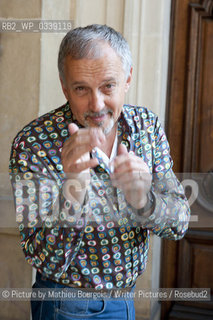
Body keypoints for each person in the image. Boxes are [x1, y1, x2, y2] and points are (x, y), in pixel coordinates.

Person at [9, 24, 190, 320]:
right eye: (81, 89)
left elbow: (179, 222)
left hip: (127, 300)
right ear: (64, 86)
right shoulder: (32, 142)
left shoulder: (147, 127)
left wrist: (144, 201)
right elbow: (44, 259)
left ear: (127, 78)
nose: (97, 104)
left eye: (108, 86)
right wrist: (74, 189)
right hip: (64, 304)